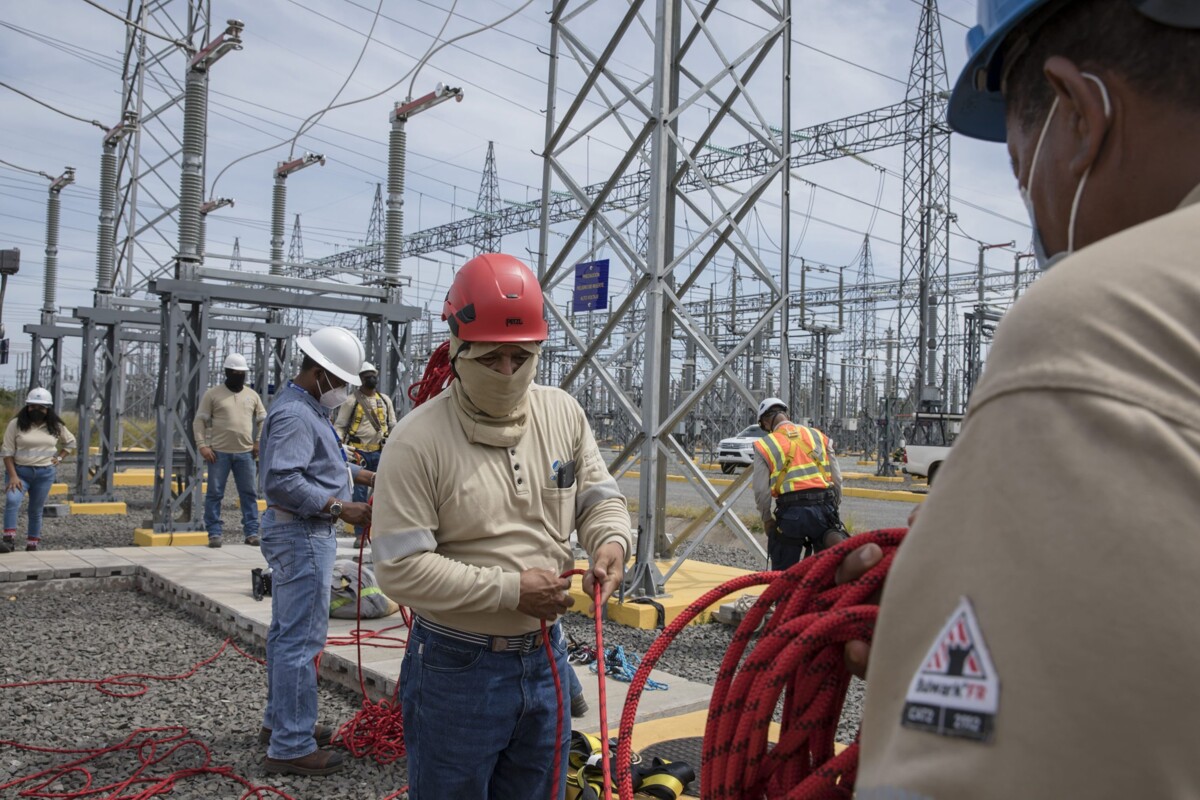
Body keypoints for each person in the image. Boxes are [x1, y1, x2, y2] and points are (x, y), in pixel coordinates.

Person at [846, 2, 1200, 797]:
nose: (1032, 211)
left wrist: (932, 664)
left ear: (1078, 114)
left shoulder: (1108, 320)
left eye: (1018, 170)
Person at [371, 253, 632, 799]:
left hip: (546, 656)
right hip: (455, 666)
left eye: (522, 355)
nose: (509, 371)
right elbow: (399, 570)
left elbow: (598, 498)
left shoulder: (562, 413)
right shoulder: (417, 441)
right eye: (492, 358)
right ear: (458, 349)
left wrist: (611, 541)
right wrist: (511, 590)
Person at [257, 326, 376, 777]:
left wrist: (360, 478)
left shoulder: (305, 409)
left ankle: (281, 724)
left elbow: (317, 461)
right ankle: (291, 746)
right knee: (301, 642)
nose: (344, 390)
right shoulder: (295, 415)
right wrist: (339, 506)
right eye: (342, 381)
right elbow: (283, 479)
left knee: (287, 635)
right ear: (321, 373)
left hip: (300, 533)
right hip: (304, 534)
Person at [751, 397, 844, 571]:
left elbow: (761, 490)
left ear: (765, 421)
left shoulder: (764, 445)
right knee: (828, 571)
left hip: (791, 514)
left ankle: (784, 597)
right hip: (824, 509)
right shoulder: (817, 435)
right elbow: (837, 479)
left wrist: (766, 519)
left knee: (783, 575)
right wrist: (833, 508)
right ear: (785, 414)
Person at [194, 352, 267, 548]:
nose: (239, 376)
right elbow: (199, 421)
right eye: (235, 373)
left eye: (242, 373)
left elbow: (263, 421)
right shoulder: (213, 394)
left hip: (246, 453)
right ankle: (214, 533)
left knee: (249, 493)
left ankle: (252, 532)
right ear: (227, 372)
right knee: (215, 493)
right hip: (219, 453)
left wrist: (258, 441)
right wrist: (202, 445)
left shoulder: (252, 396)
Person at [1, 388, 76, 553]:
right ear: (27, 406)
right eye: (33, 406)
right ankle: (8, 540)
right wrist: (13, 476)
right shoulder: (16, 424)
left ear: (47, 409)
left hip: (44, 474)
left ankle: (32, 544)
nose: (36, 410)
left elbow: (71, 443)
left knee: (36, 509)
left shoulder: (55, 426)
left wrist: (60, 458)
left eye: (41, 407)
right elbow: (6, 452)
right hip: (20, 473)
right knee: (12, 501)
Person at [333, 361, 396, 547]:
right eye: (367, 375)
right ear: (360, 379)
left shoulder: (384, 400)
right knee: (359, 496)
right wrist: (337, 445)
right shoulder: (352, 401)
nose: (371, 378)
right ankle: (361, 535)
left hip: (380, 452)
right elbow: (341, 425)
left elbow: (393, 424)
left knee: (384, 493)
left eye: (373, 374)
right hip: (358, 453)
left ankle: (382, 533)